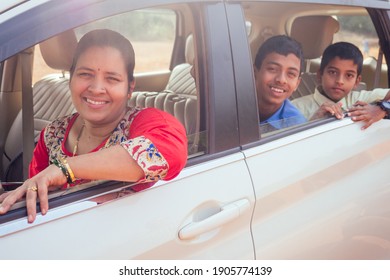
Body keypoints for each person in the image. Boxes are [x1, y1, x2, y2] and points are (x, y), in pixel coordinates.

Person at [0, 29, 188, 223]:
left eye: (112, 79)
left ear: (130, 87)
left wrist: (65, 169)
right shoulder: (52, 135)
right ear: (71, 78)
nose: (96, 89)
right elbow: (36, 199)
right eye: (85, 74)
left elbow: (170, 153)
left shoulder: (145, 122)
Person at [292, 41, 390, 129]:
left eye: (349, 75)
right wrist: (313, 121)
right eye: (333, 72)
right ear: (320, 75)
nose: (340, 81)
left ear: (357, 81)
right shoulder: (296, 108)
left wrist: (382, 108)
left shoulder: (360, 99)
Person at [253, 35, 307, 133]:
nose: (281, 80)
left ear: (297, 83)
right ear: (254, 72)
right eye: (272, 69)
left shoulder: (296, 125)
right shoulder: (227, 108)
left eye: (291, 74)